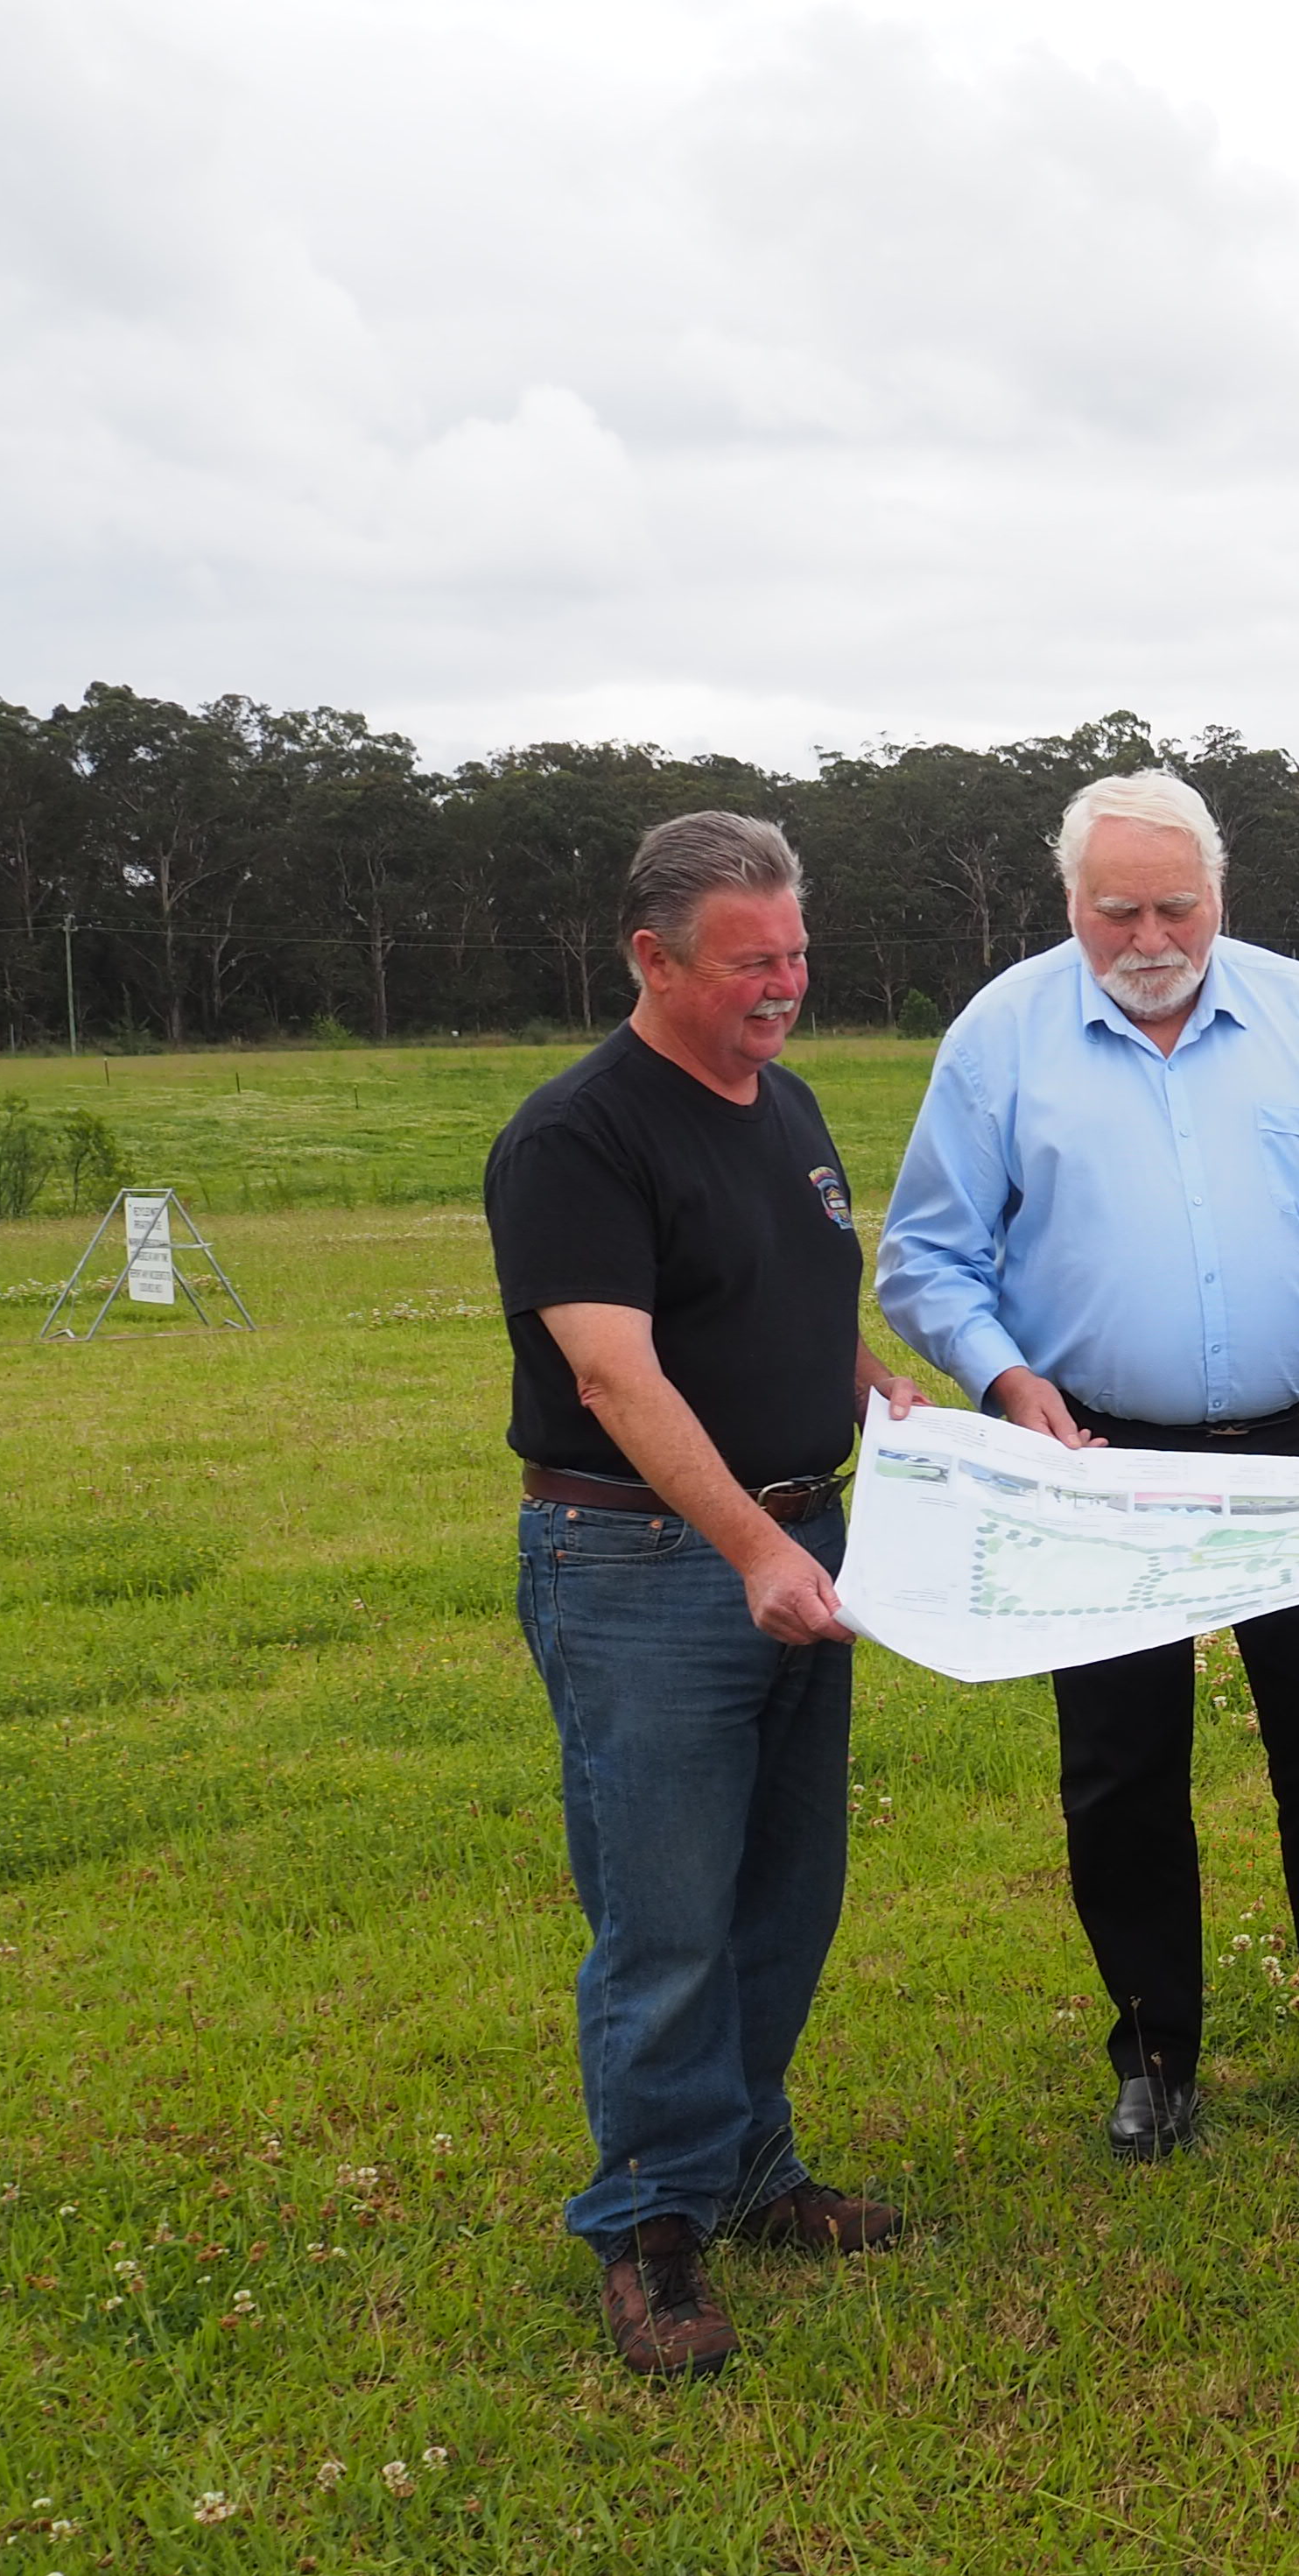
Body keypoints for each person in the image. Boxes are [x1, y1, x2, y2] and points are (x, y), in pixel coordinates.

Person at [878, 770, 1299, 2159]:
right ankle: (1156, 2052)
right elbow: (926, 1255)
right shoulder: (1001, 1036)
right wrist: (1007, 1377)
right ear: (1070, 904)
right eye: (1116, 911)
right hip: (1095, 1452)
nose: (1150, 937)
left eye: (1176, 907)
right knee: (1119, 1763)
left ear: (1220, 897)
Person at [487, 811, 925, 2380]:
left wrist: (880, 1390)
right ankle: (649, 2230)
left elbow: (788, 1306)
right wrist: (754, 1551)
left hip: (805, 1544)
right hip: (651, 1569)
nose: (785, 986)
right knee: (665, 1916)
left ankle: (748, 2166)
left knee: (785, 1896)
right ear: (650, 957)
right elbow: (615, 1372)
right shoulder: (579, 1138)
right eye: (752, 963)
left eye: (798, 955)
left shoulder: (785, 1104)